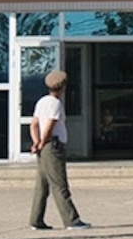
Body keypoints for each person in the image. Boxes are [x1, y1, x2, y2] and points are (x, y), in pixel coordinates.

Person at [29, 64, 89, 230]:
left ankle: (36, 219)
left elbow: (34, 124)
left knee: (42, 184)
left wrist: (35, 142)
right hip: (53, 146)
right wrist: (42, 141)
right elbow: (49, 125)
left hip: (43, 146)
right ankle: (71, 220)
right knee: (59, 183)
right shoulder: (55, 104)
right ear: (62, 87)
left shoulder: (41, 102)